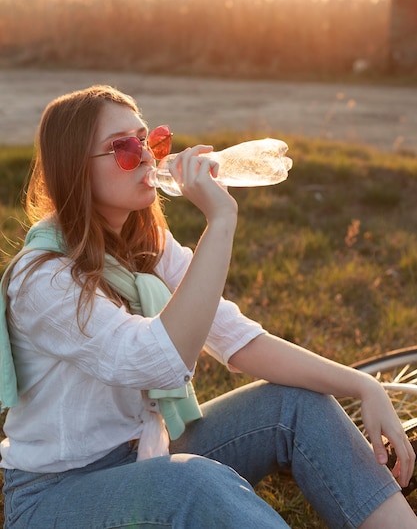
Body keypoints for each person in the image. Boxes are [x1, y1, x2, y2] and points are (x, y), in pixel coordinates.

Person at [0, 84, 416, 529]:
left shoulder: (146, 244)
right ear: (75, 169)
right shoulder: (43, 278)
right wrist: (221, 220)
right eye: (122, 148)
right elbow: (157, 362)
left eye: (149, 140)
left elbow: (238, 341)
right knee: (194, 483)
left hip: (144, 451)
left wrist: (364, 386)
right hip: (55, 496)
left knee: (297, 405)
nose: (145, 157)